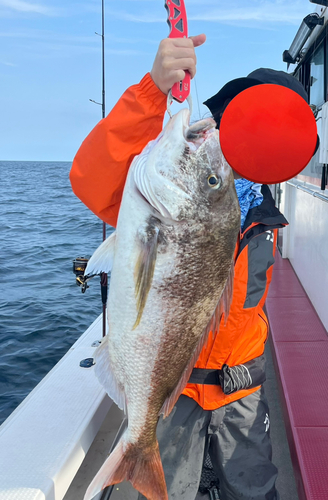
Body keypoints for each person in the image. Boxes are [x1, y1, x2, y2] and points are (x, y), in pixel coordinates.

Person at [69, 35, 308, 500]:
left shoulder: (264, 207)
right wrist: (153, 91)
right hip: (174, 395)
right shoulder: (175, 182)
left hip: (243, 391)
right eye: (249, 119)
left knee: (256, 490)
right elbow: (91, 179)